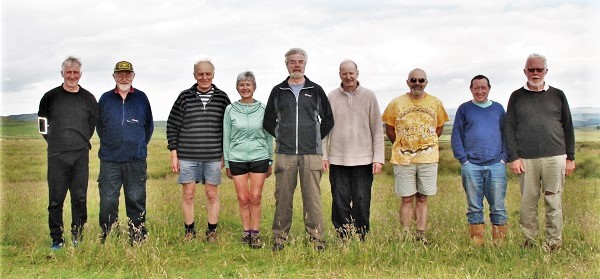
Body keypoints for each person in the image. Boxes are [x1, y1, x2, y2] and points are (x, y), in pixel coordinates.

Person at [263, 47, 334, 251]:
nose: (296, 65)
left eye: (300, 61)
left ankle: (317, 239)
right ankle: (279, 238)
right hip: (285, 153)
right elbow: (269, 121)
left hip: (311, 153)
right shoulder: (278, 91)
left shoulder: (315, 90)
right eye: (292, 61)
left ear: (305, 64)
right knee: (283, 197)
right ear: (286, 65)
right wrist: (283, 135)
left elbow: (328, 119)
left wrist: (313, 138)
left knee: (312, 199)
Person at [504, 53, 576, 250]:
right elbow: (509, 128)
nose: (535, 73)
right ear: (525, 71)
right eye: (531, 69)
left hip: (555, 157)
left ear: (546, 71)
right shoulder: (516, 96)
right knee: (528, 202)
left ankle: (554, 242)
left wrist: (570, 157)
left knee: (553, 200)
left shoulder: (558, 95)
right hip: (526, 159)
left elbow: (568, 126)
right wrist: (514, 158)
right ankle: (530, 240)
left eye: (539, 69)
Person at [37, 56, 98, 250]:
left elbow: (91, 125)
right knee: (56, 199)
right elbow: (42, 124)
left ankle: (77, 236)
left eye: (75, 72)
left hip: (80, 155)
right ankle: (57, 239)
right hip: (57, 155)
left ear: (80, 74)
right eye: (68, 72)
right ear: (62, 73)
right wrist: (54, 141)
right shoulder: (50, 96)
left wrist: (79, 141)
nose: (72, 76)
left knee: (79, 198)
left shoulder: (88, 98)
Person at [381, 68, 448, 244]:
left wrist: (424, 145)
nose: (417, 84)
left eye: (421, 80)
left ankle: (421, 234)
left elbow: (439, 127)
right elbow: (389, 128)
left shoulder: (435, 103)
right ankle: (405, 234)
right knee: (406, 198)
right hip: (403, 159)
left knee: (423, 197)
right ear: (407, 82)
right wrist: (404, 144)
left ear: (426, 82)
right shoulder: (396, 103)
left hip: (428, 159)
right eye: (413, 80)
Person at [167, 60, 231, 242]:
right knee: (188, 193)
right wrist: (174, 153)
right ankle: (189, 231)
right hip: (187, 155)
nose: (204, 77)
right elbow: (172, 125)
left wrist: (224, 155)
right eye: (200, 74)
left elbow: (227, 129)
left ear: (213, 74)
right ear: (194, 75)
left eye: (207, 74)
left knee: (212, 194)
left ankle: (211, 231)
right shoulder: (184, 97)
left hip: (213, 156)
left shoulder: (222, 98)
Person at [322, 60, 384, 241]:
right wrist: (324, 156)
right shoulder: (331, 96)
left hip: (364, 160)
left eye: (351, 73)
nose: (348, 77)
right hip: (338, 159)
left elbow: (377, 129)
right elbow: (324, 129)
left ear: (357, 73)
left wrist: (378, 158)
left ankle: (361, 235)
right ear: (339, 74)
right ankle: (343, 236)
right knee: (339, 201)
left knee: (362, 200)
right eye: (344, 73)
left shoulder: (369, 96)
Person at [97, 61, 154, 244]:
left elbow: (149, 127)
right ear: (114, 76)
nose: (124, 78)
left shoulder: (141, 98)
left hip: (135, 160)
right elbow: (99, 126)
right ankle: (109, 236)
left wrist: (136, 145)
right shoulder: (105, 98)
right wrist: (112, 144)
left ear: (133, 76)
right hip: (110, 161)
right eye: (120, 74)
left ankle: (137, 237)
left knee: (136, 199)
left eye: (127, 74)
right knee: (108, 201)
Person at [451, 75, 508, 246]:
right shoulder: (464, 109)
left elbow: (506, 135)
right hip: (471, 166)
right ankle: (477, 242)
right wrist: (464, 161)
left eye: (483, 87)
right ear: (471, 89)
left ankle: (500, 244)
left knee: (498, 205)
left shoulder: (498, 109)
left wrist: (504, 159)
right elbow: (456, 136)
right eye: (476, 88)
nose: (480, 91)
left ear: (489, 88)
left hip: (496, 165)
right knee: (474, 206)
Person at [223, 71, 274, 249]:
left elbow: (269, 136)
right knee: (243, 198)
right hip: (237, 158)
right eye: (242, 85)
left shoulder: (263, 108)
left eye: (248, 85)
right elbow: (226, 137)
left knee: (256, 197)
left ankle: (255, 233)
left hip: (260, 157)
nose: (245, 88)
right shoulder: (230, 109)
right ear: (237, 88)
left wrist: (270, 160)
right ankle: (246, 233)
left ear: (254, 87)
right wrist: (227, 162)